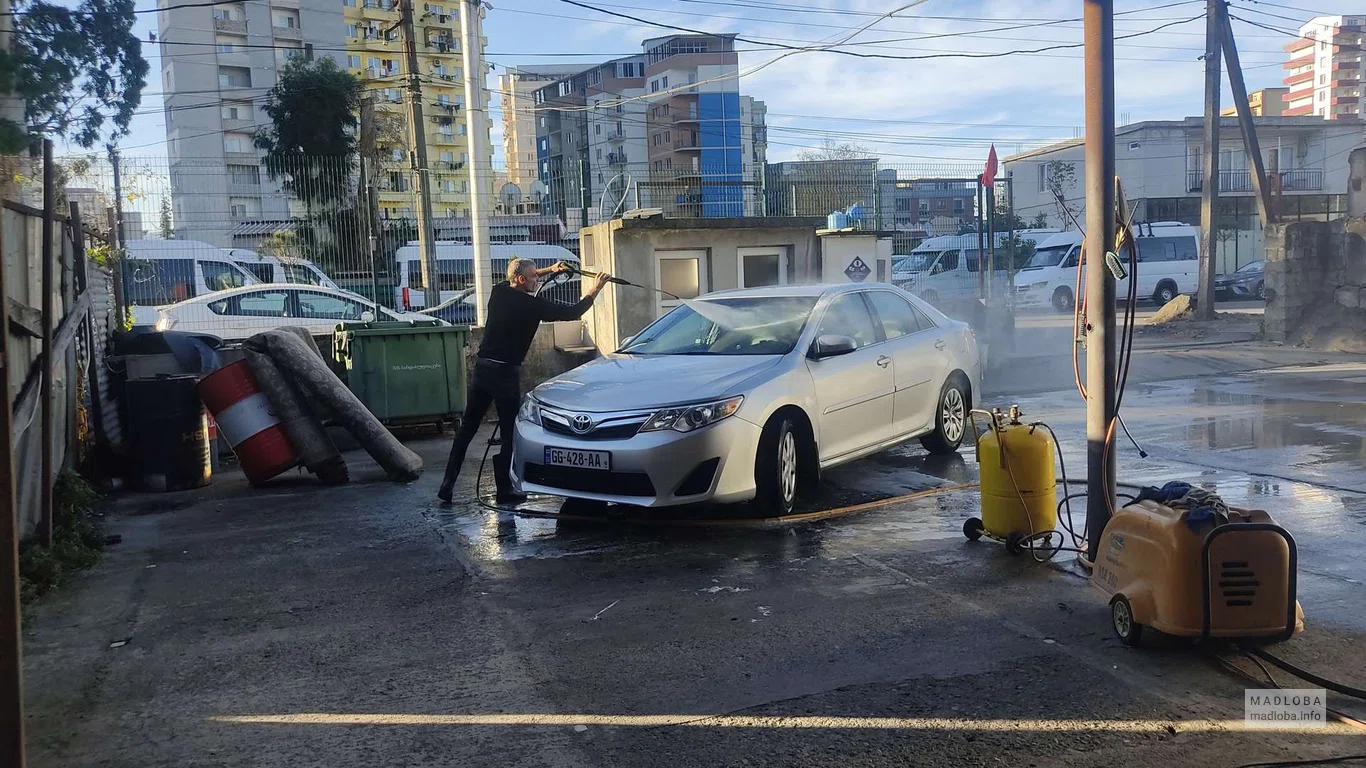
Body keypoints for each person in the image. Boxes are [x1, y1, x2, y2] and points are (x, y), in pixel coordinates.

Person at [438, 258, 612, 503]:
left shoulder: (499, 292)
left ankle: (447, 483)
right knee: (510, 432)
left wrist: (550, 269)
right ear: (521, 280)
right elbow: (572, 312)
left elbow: (522, 275)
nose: (537, 279)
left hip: (482, 369)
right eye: (533, 277)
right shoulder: (533, 306)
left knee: (468, 428)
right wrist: (595, 289)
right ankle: (504, 490)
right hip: (505, 375)